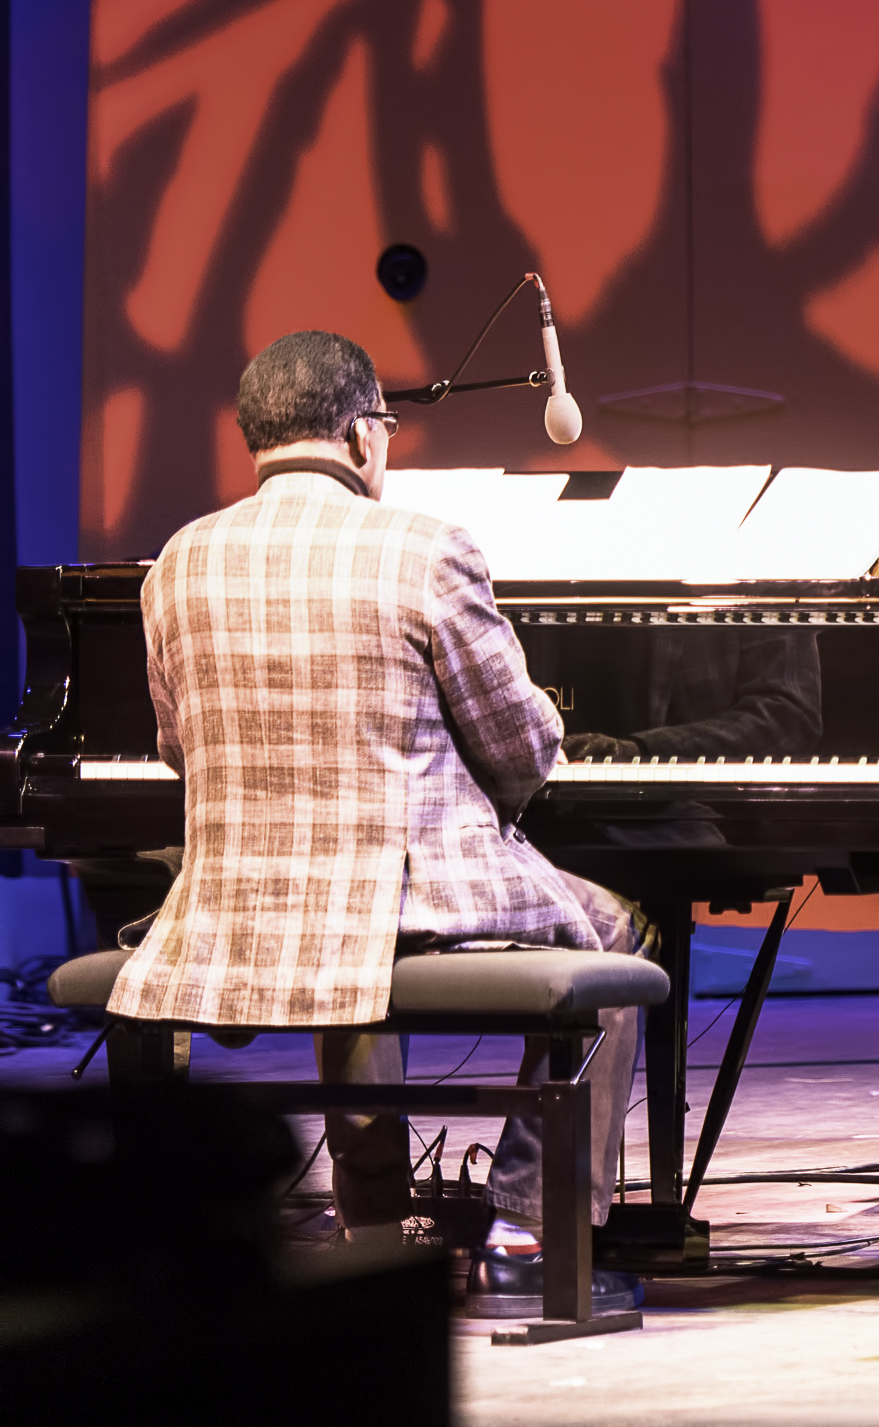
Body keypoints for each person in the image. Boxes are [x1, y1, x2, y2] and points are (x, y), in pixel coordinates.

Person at [107, 329, 650, 1312]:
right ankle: (530, 1232)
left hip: (236, 894)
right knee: (612, 930)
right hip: (400, 896)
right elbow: (520, 746)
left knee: (341, 932)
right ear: (364, 434)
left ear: (258, 437)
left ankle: (370, 1222)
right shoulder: (423, 547)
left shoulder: (176, 561)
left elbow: (179, 747)